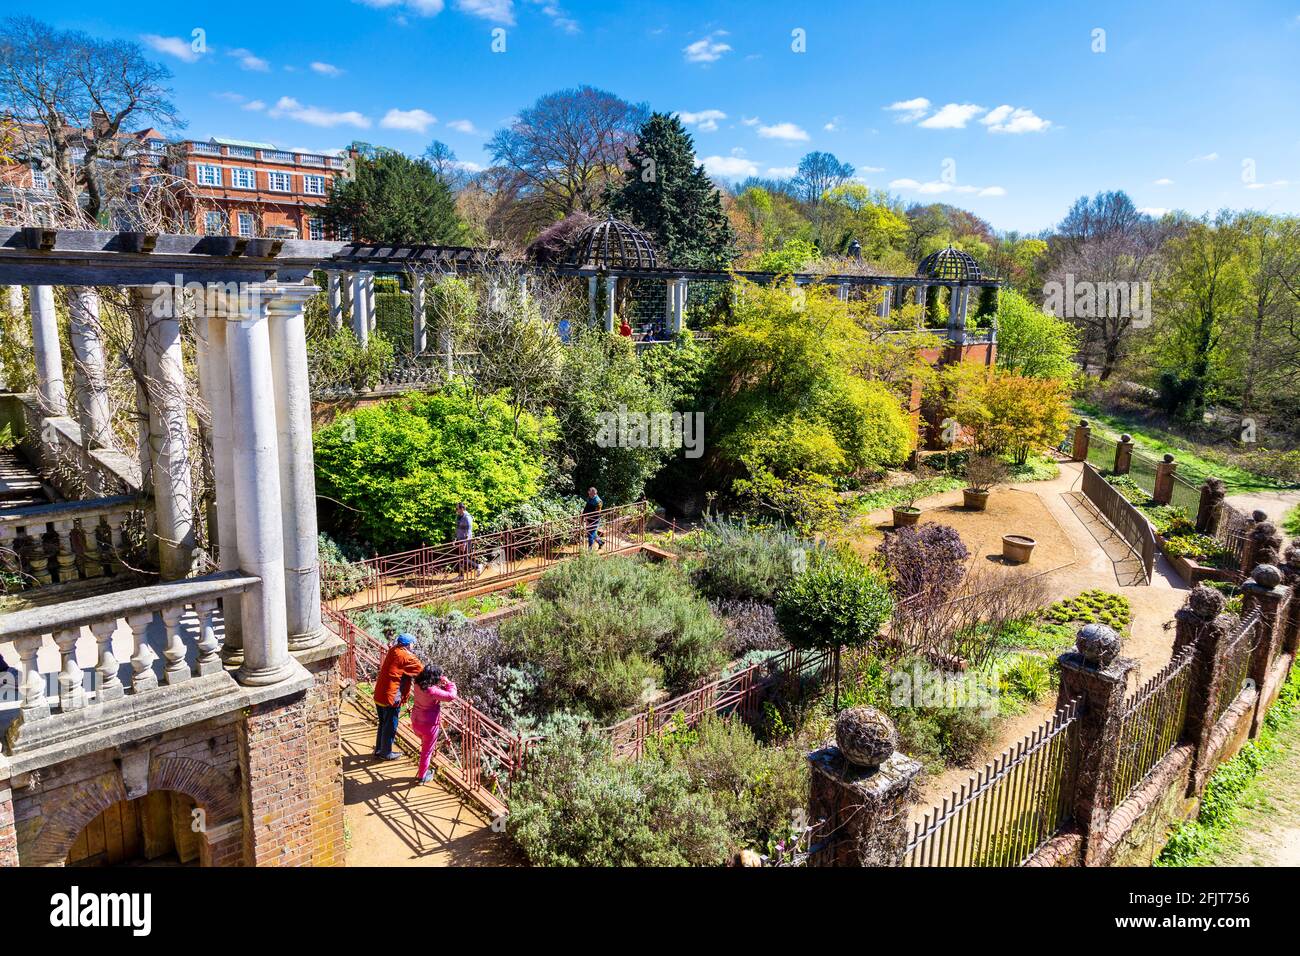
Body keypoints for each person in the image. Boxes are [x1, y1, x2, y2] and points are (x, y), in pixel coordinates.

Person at [373, 634, 423, 759]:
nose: (414, 646)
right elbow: (422, 671)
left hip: (380, 694)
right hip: (391, 697)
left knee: (383, 723)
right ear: (409, 644)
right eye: (413, 643)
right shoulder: (406, 656)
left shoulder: (393, 650)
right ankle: (386, 753)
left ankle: (379, 750)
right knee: (390, 725)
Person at [410, 666, 458, 783]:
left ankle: (423, 771)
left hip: (416, 721)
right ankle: (422, 776)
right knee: (426, 752)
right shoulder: (432, 690)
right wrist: (449, 684)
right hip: (429, 725)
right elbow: (451, 696)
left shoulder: (417, 683)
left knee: (425, 748)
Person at [454, 502, 481, 581]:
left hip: (466, 541)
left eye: (457, 509)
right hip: (460, 540)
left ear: (462, 509)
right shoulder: (459, 516)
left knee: (464, 558)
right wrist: (455, 539)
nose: (456, 510)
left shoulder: (467, 517)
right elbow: (458, 529)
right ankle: (461, 575)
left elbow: (468, 531)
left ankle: (478, 566)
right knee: (460, 558)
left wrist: (464, 543)